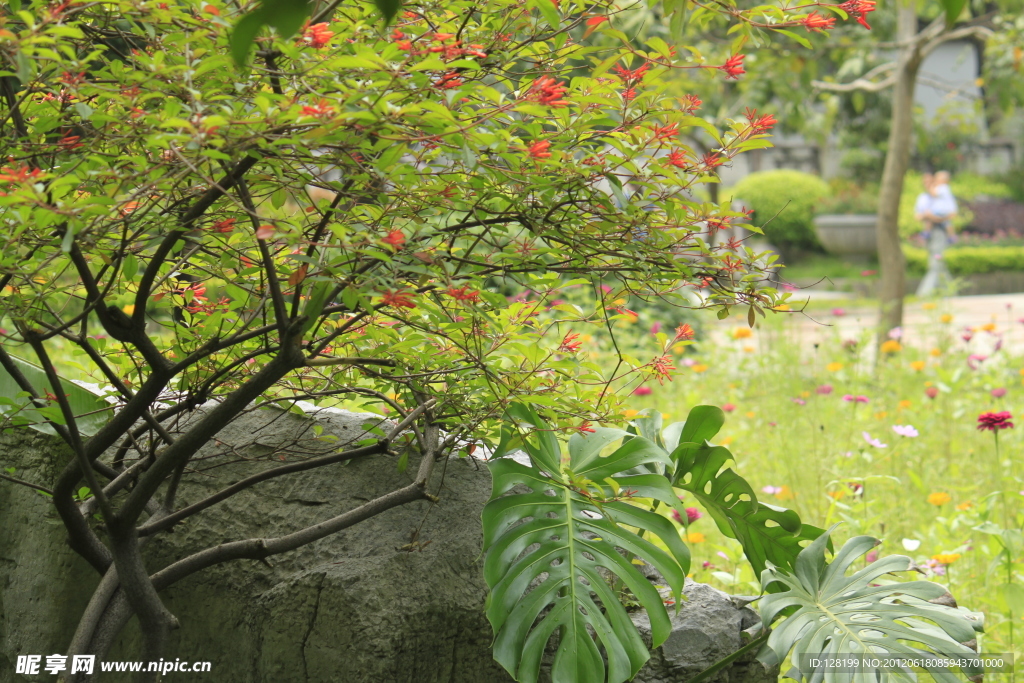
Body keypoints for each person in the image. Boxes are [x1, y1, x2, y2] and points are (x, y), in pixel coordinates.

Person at [914, 171, 958, 296]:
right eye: (925, 183)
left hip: (940, 230)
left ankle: (925, 292)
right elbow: (918, 215)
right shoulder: (923, 198)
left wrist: (935, 218)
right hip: (929, 231)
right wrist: (928, 216)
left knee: (936, 261)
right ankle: (950, 290)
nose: (928, 185)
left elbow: (952, 213)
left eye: (930, 182)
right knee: (938, 262)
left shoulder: (943, 193)